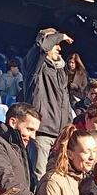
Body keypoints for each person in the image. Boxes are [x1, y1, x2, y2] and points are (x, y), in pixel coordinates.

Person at [0, 102, 53, 195]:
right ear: (13, 122)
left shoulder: (19, 147)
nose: (33, 136)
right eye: (29, 129)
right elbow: (8, 184)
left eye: (35, 131)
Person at [24, 28, 74, 180]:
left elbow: (65, 101)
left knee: (57, 176)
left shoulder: (60, 71)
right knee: (39, 176)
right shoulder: (35, 65)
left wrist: (68, 126)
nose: (59, 47)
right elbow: (41, 46)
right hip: (42, 133)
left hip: (60, 135)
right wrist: (61, 35)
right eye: (56, 43)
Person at [36, 126, 97, 195]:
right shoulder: (53, 182)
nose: (92, 157)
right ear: (70, 154)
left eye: (94, 151)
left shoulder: (90, 180)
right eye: (86, 152)